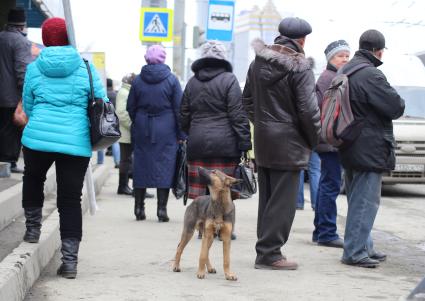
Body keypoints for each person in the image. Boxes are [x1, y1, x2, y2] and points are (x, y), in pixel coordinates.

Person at [21, 18, 108, 279]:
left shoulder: (34, 68)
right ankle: (70, 262)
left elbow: (28, 105)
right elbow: (101, 102)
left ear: (45, 39)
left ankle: (32, 229)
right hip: (75, 141)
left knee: (33, 179)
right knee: (70, 200)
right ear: (69, 38)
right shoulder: (86, 68)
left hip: (38, 137)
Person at [243, 17, 321, 270]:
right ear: (302, 40)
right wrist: (314, 139)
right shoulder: (300, 68)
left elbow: (247, 101)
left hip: (264, 140)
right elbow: (308, 112)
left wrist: (264, 123)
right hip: (289, 143)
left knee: (268, 199)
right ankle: (270, 254)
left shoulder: (257, 63)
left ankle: (265, 250)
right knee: (283, 202)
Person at [339, 30, 405, 268]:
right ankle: (355, 252)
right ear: (379, 50)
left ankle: (364, 246)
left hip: (348, 143)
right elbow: (395, 106)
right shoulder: (371, 74)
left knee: (358, 199)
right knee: (366, 202)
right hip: (368, 146)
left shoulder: (345, 70)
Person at [180, 41, 251, 240]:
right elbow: (238, 115)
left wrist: (193, 131)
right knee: (224, 189)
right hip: (225, 145)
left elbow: (183, 115)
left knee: (202, 190)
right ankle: (224, 229)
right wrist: (245, 142)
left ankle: (203, 228)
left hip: (198, 142)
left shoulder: (192, 82)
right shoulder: (230, 80)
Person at [127, 45, 184, 222]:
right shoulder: (172, 80)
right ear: (163, 59)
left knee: (141, 165)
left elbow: (130, 107)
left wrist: (139, 121)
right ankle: (161, 210)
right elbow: (179, 109)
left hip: (143, 126)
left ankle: (138, 209)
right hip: (166, 128)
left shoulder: (137, 80)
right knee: (165, 166)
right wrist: (182, 134)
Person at [312, 40, 351, 249]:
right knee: (331, 186)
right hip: (330, 140)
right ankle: (327, 232)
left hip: (328, 139)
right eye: (340, 56)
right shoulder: (331, 78)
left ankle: (320, 230)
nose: (344, 59)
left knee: (327, 184)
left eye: (347, 55)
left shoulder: (333, 76)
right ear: (330, 59)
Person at [0, 7, 32, 173]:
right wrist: (25, 93)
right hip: (10, 96)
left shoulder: (1, 37)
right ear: (22, 25)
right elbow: (23, 71)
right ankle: (8, 162)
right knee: (11, 130)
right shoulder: (21, 42)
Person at [115, 73, 154, 198]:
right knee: (127, 160)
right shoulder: (124, 92)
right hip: (127, 132)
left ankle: (124, 185)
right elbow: (121, 113)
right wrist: (134, 125)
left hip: (128, 131)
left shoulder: (126, 91)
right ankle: (123, 186)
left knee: (127, 160)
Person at [97, 78, 120, 168]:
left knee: (101, 139)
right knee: (114, 140)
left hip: (102, 118)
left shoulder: (103, 94)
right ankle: (117, 161)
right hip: (113, 119)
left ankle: (100, 161)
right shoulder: (115, 94)